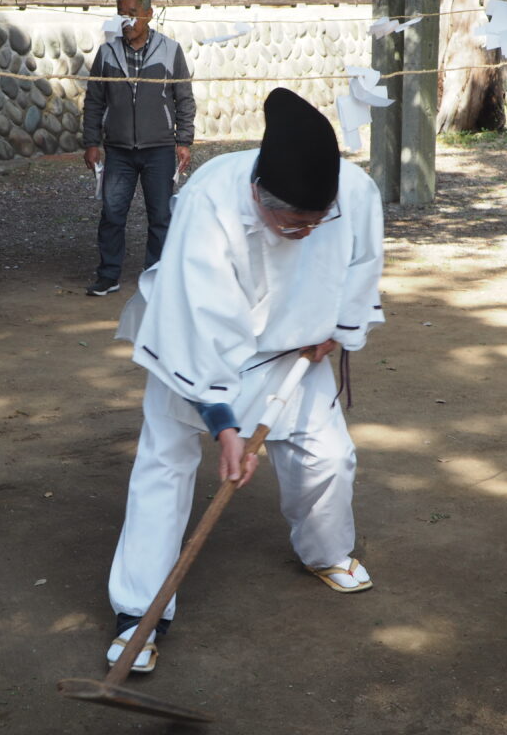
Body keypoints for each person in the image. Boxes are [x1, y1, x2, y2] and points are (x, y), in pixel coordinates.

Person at [105, 88, 385, 673]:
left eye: (317, 220)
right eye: (291, 220)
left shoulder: (355, 194)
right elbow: (196, 318)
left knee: (329, 458)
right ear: (259, 192)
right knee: (165, 467)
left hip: (293, 351)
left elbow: (361, 264)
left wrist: (337, 328)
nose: (305, 230)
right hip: (193, 351)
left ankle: (325, 552)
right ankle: (139, 613)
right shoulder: (210, 200)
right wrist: (222, 423)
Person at [81, 0, 196, 297]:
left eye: (133, 13)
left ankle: (156, 275)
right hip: (118, 151)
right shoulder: (107, 53)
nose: (126, 20)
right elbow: (94, 100)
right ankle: (108, 276)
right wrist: (92, 141)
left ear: (148, 14)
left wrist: (183, 140)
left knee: (160, 215)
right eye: (121, 13)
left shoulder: (170, 50)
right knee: (112, 214)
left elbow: (184, 98)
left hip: (158, 149)